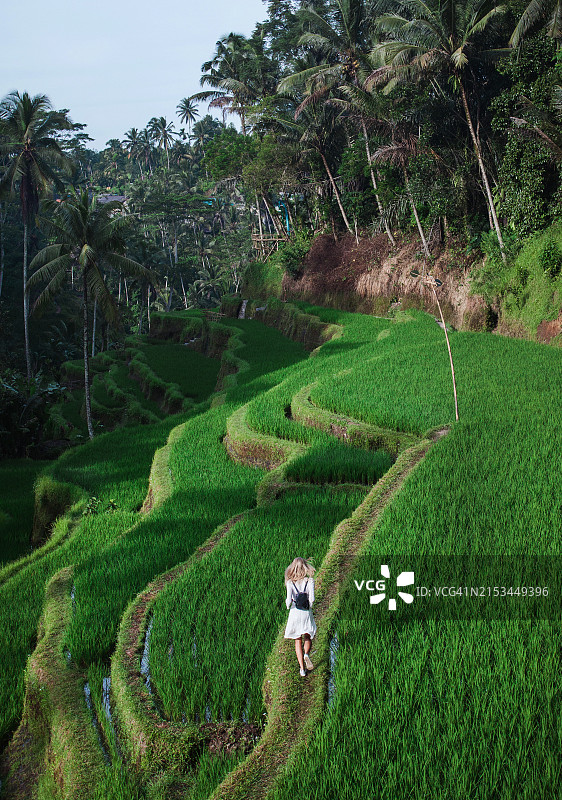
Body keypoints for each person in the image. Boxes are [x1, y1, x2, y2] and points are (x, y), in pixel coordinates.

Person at [284, 557, 316, 676]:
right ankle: (306, 654)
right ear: (305, 567)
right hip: (306, 612)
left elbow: (288, 601)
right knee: (308, 636)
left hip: (295, 612)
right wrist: (309, 606)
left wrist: (289, 607)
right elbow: (311, 599)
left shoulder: (290, 582)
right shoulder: (310, 581)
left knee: (298, 639)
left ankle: (302, 669)